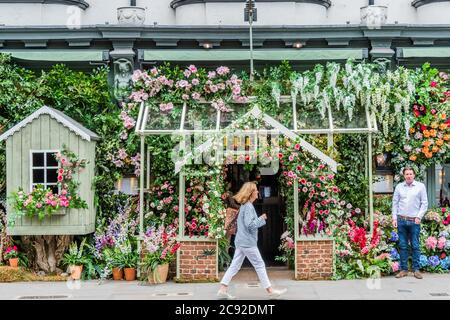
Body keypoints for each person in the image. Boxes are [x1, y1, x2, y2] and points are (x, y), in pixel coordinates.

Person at [217, 182, 287, 299]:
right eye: (255, 190)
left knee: (234, 266)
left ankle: (222, 290)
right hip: (247, 242)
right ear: (250, 193)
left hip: (241, 240)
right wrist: (261, 219)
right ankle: (270, 291)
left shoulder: (245, 206)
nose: (257, 192)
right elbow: (250, 225)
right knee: (259, 265)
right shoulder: (248, 206)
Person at [392, 167, 428, 279]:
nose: (409, 176)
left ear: (414, 175)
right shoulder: (399, 187)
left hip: (414, 221)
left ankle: (416, 270)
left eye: (410, 174)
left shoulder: (420, 186)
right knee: (402, 246)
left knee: (415, 245)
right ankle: (404, 270)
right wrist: (394, 218)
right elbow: (395, 203)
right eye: (406, 174)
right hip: (401, 220)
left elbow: (424, 203)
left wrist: (419, 216)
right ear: (404, 176)